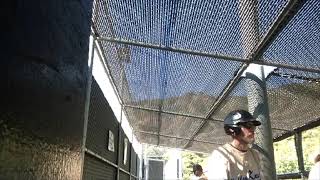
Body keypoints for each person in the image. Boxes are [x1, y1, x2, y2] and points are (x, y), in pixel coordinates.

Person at [206, 109, 262, 179]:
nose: (252, 130)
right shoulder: (221, 155)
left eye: (253, 126)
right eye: (248, 125)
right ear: (233, 129)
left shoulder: (255, 155)